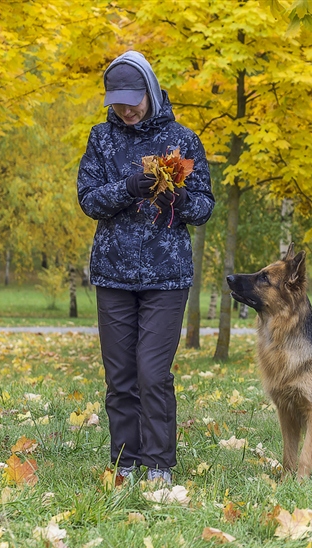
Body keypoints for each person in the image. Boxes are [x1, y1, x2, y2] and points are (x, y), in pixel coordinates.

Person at [77, 50, 215, 485]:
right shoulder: (101, 139)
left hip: (167, 276)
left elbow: (206, 207)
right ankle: (126, 463)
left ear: (151, 92)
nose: (126, 109)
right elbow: (88, 199)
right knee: (120, 377)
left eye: (132, 99)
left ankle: (159, 465)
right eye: (117, 101)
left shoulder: (183, 139)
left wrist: (180, 199)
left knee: (152, 373)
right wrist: (129, 187)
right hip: (113, 273)